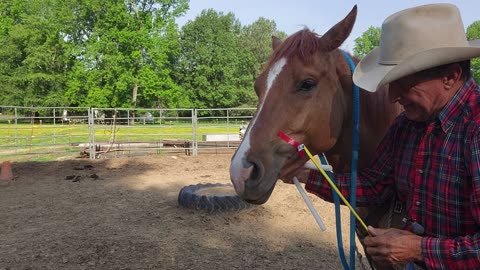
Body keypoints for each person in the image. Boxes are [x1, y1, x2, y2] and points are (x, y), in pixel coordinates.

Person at [285, 3, 480, 269]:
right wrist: (306, 175)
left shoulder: (475, 132)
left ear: (450, 76)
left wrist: (417, 249)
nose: (392, 96)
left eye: (402, 82)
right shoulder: (406, 126)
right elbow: (374, 186)